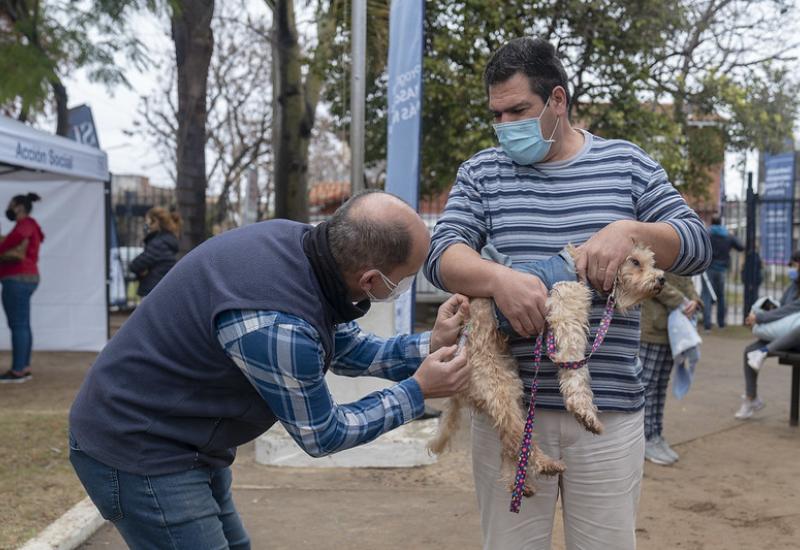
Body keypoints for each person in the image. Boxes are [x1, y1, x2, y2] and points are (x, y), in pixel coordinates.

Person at [424, 37, 711, 549]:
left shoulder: (627, 164)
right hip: (510, 414)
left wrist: (630, 230)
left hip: (609, 413)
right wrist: (499, 281)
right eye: (497, 115)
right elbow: (441, 254)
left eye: (519, 111)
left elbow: (696, 243)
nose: (506, 126)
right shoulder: (482, 172)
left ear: (557, 100)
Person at [69, 190, 471, 549]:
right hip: (139, 445)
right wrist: (415, 392)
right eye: (405, 278)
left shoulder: (303, 249)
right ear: (370, 279)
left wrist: (429, 345)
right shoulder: (277, 325)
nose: (405, 285)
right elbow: (323, 434)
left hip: (186, 438)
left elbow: (345, 347)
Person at [639, 273, 701, 465]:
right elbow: (650, 278)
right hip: (652, 327)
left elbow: (687, 278)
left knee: (660, 385)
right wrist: (682, 301)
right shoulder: (651, 255)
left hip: (673, 329)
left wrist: (694, 300)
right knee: (648, 386)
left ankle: (656, 434)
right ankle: (645, 437)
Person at [736, 250, 800, 419]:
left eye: (795, 265)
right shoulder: (793, 286)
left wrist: (760, 318)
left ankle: (763, 352)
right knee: (749, 351)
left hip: (797, 339)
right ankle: (752, 399)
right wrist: (764, 312)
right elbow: (781, 308)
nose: (793, 269)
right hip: (785, 336)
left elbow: (788, 310)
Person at [0, 193, 45, 384]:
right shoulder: (31, 225)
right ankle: (23, 367)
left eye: (11, 205)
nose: (8, 208)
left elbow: (9, 245)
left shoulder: (24, 225)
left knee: (18, 325)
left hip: (17, 277)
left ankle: (18, 371)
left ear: (19, 207)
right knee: (23, 324)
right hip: (26, 277)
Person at [702, 216, 744, 330]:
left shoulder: (707, 234)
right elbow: (741, 247)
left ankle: (707, 325)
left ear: (711, 223)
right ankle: (721, 324)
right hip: (722, 270)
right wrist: (732, 235)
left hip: (708, 268)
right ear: (721, 223)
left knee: (706, 295)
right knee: (721, 296)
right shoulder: (727, 235)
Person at [129, 206, 182, 297]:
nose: (146, 225)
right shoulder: (167, 240)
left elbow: (135, 265)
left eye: (147, 221)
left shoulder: (158, 243)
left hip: (152, 292)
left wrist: (143, 271)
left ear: (155, 222)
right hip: (161, 291)